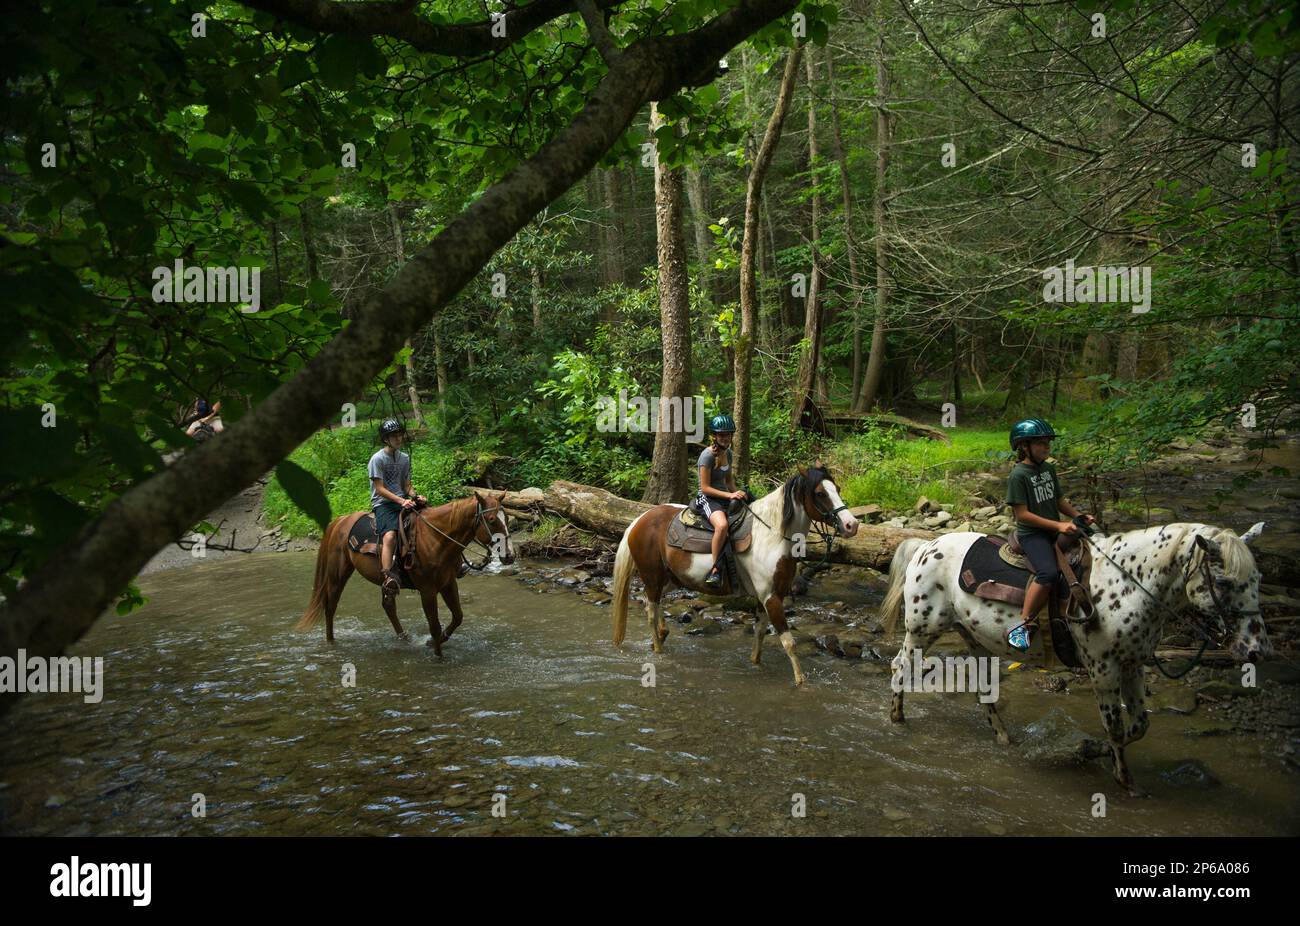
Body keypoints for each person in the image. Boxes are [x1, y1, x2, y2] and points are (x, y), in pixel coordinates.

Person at [1004, 418, 1094, 650]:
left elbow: (1058, 500)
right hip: (1033, 535)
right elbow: (1022, 515)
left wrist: (1077, 516)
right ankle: (1022, 624)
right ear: (1024, 446)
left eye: (1047, 443)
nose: (1046, 447)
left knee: (1088, 548)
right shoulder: (1018, 475)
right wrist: (1057, 526)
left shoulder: (1048, 469)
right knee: (1048, 573)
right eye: (1041, 444)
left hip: (1053, 528)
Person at [369, 419, 426, 598]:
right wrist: (401, 502)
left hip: (403, 500)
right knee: (390, 535)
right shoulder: (377, 459)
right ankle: (387, 576)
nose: (398, 438)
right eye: (393, 435)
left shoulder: (404, 458)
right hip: (383, 503)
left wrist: (415, 495)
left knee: (429, 520)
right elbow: (379, 488)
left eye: (399, 434)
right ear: (385, 439)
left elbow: (407, 485)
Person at [694, 414, 746, 589]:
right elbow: (706, 487)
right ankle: (715, 569)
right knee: (722, 526)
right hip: (707, 499)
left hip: (723, 497)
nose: (725, 438)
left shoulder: (729, 454)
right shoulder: (707, 456)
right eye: (721, 435)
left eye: (728, 435)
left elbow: (729, 482)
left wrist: (739, 494)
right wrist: (730, 496)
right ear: (714, 436)